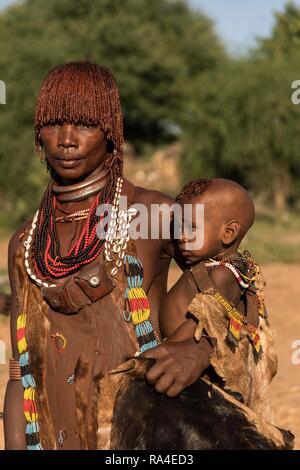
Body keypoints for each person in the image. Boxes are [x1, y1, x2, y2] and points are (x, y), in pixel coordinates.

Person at [3, 62, 209, 450]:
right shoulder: (25, 245)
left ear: (110, 133)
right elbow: (20, 374)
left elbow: (235, 281)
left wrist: (197, 348)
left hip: (140, 439)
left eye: (84, 124)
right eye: (53, 124)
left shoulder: (151, 215)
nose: (66, 140)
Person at [157, 178, 278, 419]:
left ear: (228, 232)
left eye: (190, 228)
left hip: (193, 376)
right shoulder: (228, 267)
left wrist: (162, 353)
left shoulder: (224, 273)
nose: (180, 236)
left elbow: (201, 324)